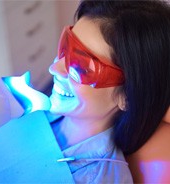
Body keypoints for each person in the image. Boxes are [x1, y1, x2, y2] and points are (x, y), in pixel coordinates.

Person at [48, 0, 170, 183]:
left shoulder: (101, 178)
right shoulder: (27, 103)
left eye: (80, 66)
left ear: (127, 96)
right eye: (64, 47)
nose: (55, 68)